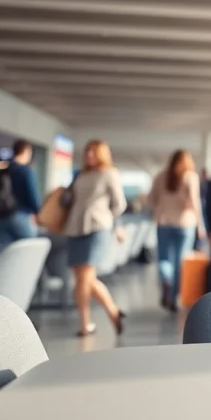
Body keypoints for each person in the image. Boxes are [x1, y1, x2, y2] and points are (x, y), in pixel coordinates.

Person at [63, 140, 127, 337]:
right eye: (87, 152)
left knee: (85, 278)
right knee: (83, 278)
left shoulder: (109, 173)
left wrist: (109, 220)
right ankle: (113, 310)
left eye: (93, 152)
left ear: (101, 154)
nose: (89, 156)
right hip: (75, 228)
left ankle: (85, 324)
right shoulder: (81, 175)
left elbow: (119, 204)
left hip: (97, 228)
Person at [147, 150, 206, 311]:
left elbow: (151, 200)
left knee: (164, 259)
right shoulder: (190, 176)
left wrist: (162, 207)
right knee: (180, 261)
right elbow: (195, 202)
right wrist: (200, 225)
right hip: (184, 223)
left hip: (163, 222)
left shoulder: (160, 176)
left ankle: (166, 281)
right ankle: (173, 297)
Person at [0, 139, 42, 246]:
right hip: (21, 215)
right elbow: (32, 194)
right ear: (26, 151)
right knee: (29, 250)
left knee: (4, 253)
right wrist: (38, 212)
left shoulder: (3, 171)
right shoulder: (26, 171)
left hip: (2, 216)